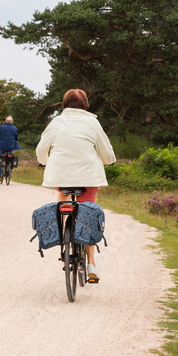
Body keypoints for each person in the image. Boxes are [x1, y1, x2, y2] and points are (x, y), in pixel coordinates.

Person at [35, 89, 116, 283]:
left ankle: (65, 239)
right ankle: (91, 264)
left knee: (62, 201)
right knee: (87, 213)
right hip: (87, 179)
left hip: (61, 178)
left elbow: (41, 149)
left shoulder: (56, 123)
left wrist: (45, 162)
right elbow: (106, 151)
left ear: (64, 104)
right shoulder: (92, 123)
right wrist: (109, 160)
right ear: (86, 104)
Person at [0, 116, 20, 182]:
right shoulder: (14, 128)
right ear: (12, 122)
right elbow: (16, 138)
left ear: (6, 121)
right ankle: (9, 168)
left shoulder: (1, 127)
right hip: (10, 147)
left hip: (2, 146)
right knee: (11, 157)